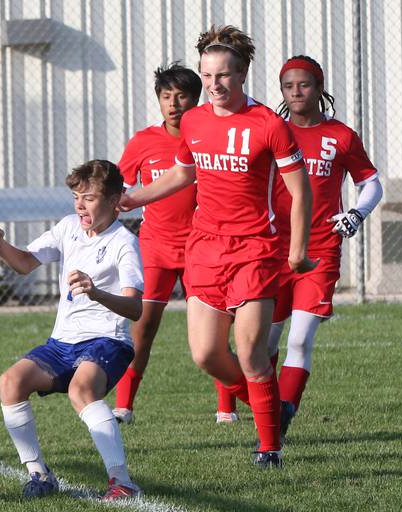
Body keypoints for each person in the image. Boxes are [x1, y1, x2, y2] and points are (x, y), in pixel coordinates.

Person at [120, 25, 316, 468]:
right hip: (205, 248)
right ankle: (272, 407)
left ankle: (269, 448)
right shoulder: (193, 120)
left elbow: (299, 191)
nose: (214, 85)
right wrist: (133, 197)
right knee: (206, 354)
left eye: (223, 76)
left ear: (243, 73)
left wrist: (297, 252)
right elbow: (182, 173)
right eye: (207, 77)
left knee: (249, 352)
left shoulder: (269, 124)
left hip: (254, 250)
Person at [0, 160, 144, 499]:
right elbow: (24, 263)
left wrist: (96, 292)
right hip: (62, 342)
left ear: (115, 200)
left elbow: (135, 308)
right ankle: (39, 476)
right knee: (11, 382)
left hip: (107, 340)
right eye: (76, 196)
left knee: (81, 391)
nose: (80, 205)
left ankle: (123, 482)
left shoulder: (124, 243)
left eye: (89, 198)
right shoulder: (68, 227)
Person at [266, 55, 381, 438]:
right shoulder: (272, 130)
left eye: (304, 84)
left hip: (320, 250)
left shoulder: (341, 136)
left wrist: (356, 213)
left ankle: (281, 417)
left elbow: (371, 183)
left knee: (299, 338)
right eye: (288, 85)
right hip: (273, 248)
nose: (296, 92)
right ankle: (267, 408)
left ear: (319, 87)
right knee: (264, 340)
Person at [112, 63, 201, 426]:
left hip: (202, 247)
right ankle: (124, 407)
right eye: (167, 97)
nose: (174, 103)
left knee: (212, 330)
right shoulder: (143, 141)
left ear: (196, 100)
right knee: (142, 328)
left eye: (182, 96)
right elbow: (119, 185)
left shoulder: (207, 138)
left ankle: (226, 409)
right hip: (156, 248)